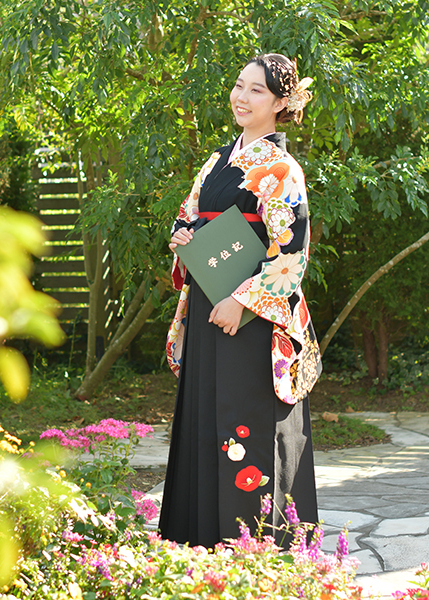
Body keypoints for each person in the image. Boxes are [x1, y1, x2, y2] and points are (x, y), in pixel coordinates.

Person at [159, 53, 322, 548]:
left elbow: (291, 253)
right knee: (207, 421)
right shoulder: (216, 160)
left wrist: (243, 302)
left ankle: (257, 545)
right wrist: (183, 237)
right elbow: (189, 216)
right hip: (208, 304)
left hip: (252, 321)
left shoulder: (282, 169)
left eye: (256, 90)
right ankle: (203, 540)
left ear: (280, 103)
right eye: (238, 85)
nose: (242, 97)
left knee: (246, 424)